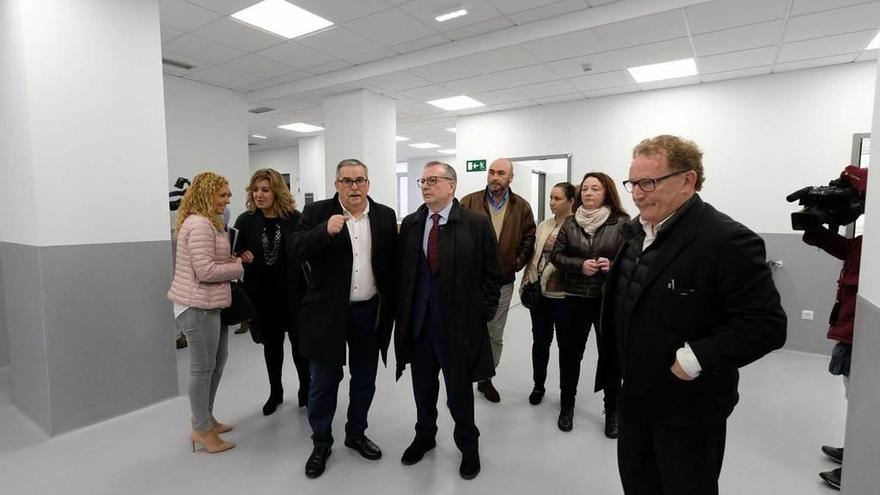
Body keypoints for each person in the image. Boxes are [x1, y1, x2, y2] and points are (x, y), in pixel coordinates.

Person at [598, 135, 787, 495]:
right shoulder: (635, 232)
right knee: (638, 484)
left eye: (649, 182)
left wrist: (694, 359)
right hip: (634, 397)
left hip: (688, 409)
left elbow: (766, 325)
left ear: (688, 180)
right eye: (632, 183)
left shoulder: (726, 241)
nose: (637, 193)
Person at [395, 160, 503, 480]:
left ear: (451, 185)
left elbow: (492, 276)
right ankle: (425, 436)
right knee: (423, 389)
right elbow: (405, 275)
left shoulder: (475, 224)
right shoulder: (413, 223)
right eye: (422, 181)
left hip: (457, 328)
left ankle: (468, 446)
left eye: (433, 180)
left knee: (459, 393)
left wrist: (479, 313)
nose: (426, 186)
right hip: (420, 326)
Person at [291, 159, 397, 479]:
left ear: (368, 184)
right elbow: (295, 248)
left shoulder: (384, 216)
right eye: (347, 181)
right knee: (323, 383)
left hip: (368, 312)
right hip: (327, 314)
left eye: (360, 180)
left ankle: (356, 433)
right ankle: (321, 442)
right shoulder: (316, 214)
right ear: (336, 184)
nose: (354, 187)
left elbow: (391, 264)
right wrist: (324, 231)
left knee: (364, 379)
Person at [167, 172, 244, 454]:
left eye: (228, 194)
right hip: (196, 307)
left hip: (212, 303)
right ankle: (201, 430)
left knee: (218, 361)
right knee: (202, 369)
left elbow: (211, 261)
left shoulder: (210, 222)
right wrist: (237, 268)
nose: (227, 200)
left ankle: (206, 417)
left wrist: (230, 259)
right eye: (222, 195)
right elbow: (206, 271)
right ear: (206, 195)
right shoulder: (199, 225)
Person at [549, 173, 628, 436]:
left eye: (596, 188)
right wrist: (579, 265)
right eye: (585, 189)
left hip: (608, 300)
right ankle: (567, 407)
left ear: (607, 193)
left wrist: (613, 266)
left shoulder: (622, 223)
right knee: (570, 356)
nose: (589, 193)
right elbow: (557, 256)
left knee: (610, 357)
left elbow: (635, 261)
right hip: (575, 297)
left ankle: (612, 412)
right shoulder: (570, 223)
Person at [233, 168, 310, 416]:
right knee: (271, 346)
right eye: (255, 190)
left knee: (300, 346)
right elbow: (233, 251)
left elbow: (306, 251)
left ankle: (305, 390)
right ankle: (275, 392)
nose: (259, 195)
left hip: (293, 295)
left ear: (276, 192)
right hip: (262, 296)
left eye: (265, 190)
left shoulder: (295, 218)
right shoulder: (245, 221)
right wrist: (239, 254)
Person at [460, 157, 536, 402]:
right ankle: (462, 374)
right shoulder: (468, 202)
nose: (495, 177)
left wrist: (514, 264)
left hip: (502, 282)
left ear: (510, 178)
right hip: (469, 281)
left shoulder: (522, 206)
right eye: (491, 172)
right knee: (467, 329)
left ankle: (486, 378)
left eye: (501, 173)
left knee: (494, 332)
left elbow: (528, 239)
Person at [803, 223, 863, 491]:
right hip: (851, 334)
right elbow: (837, 245)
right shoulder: (863, 245)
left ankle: (860, 467)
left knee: (866, 402)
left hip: (864, 335)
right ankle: (855, 450)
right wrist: (814, 223)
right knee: (856, 398)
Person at [521, 183, 575, 407]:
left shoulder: (577, 227)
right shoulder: (545, 225)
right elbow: (535, 258)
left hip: (564, 296)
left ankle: (566, 394)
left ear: (571, 201)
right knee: (540, 342)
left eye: (558, 198)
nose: (552, 202)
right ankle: (538, 385)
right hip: (539, 294)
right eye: (551, 197)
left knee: (566, 346)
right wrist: (527, 281)